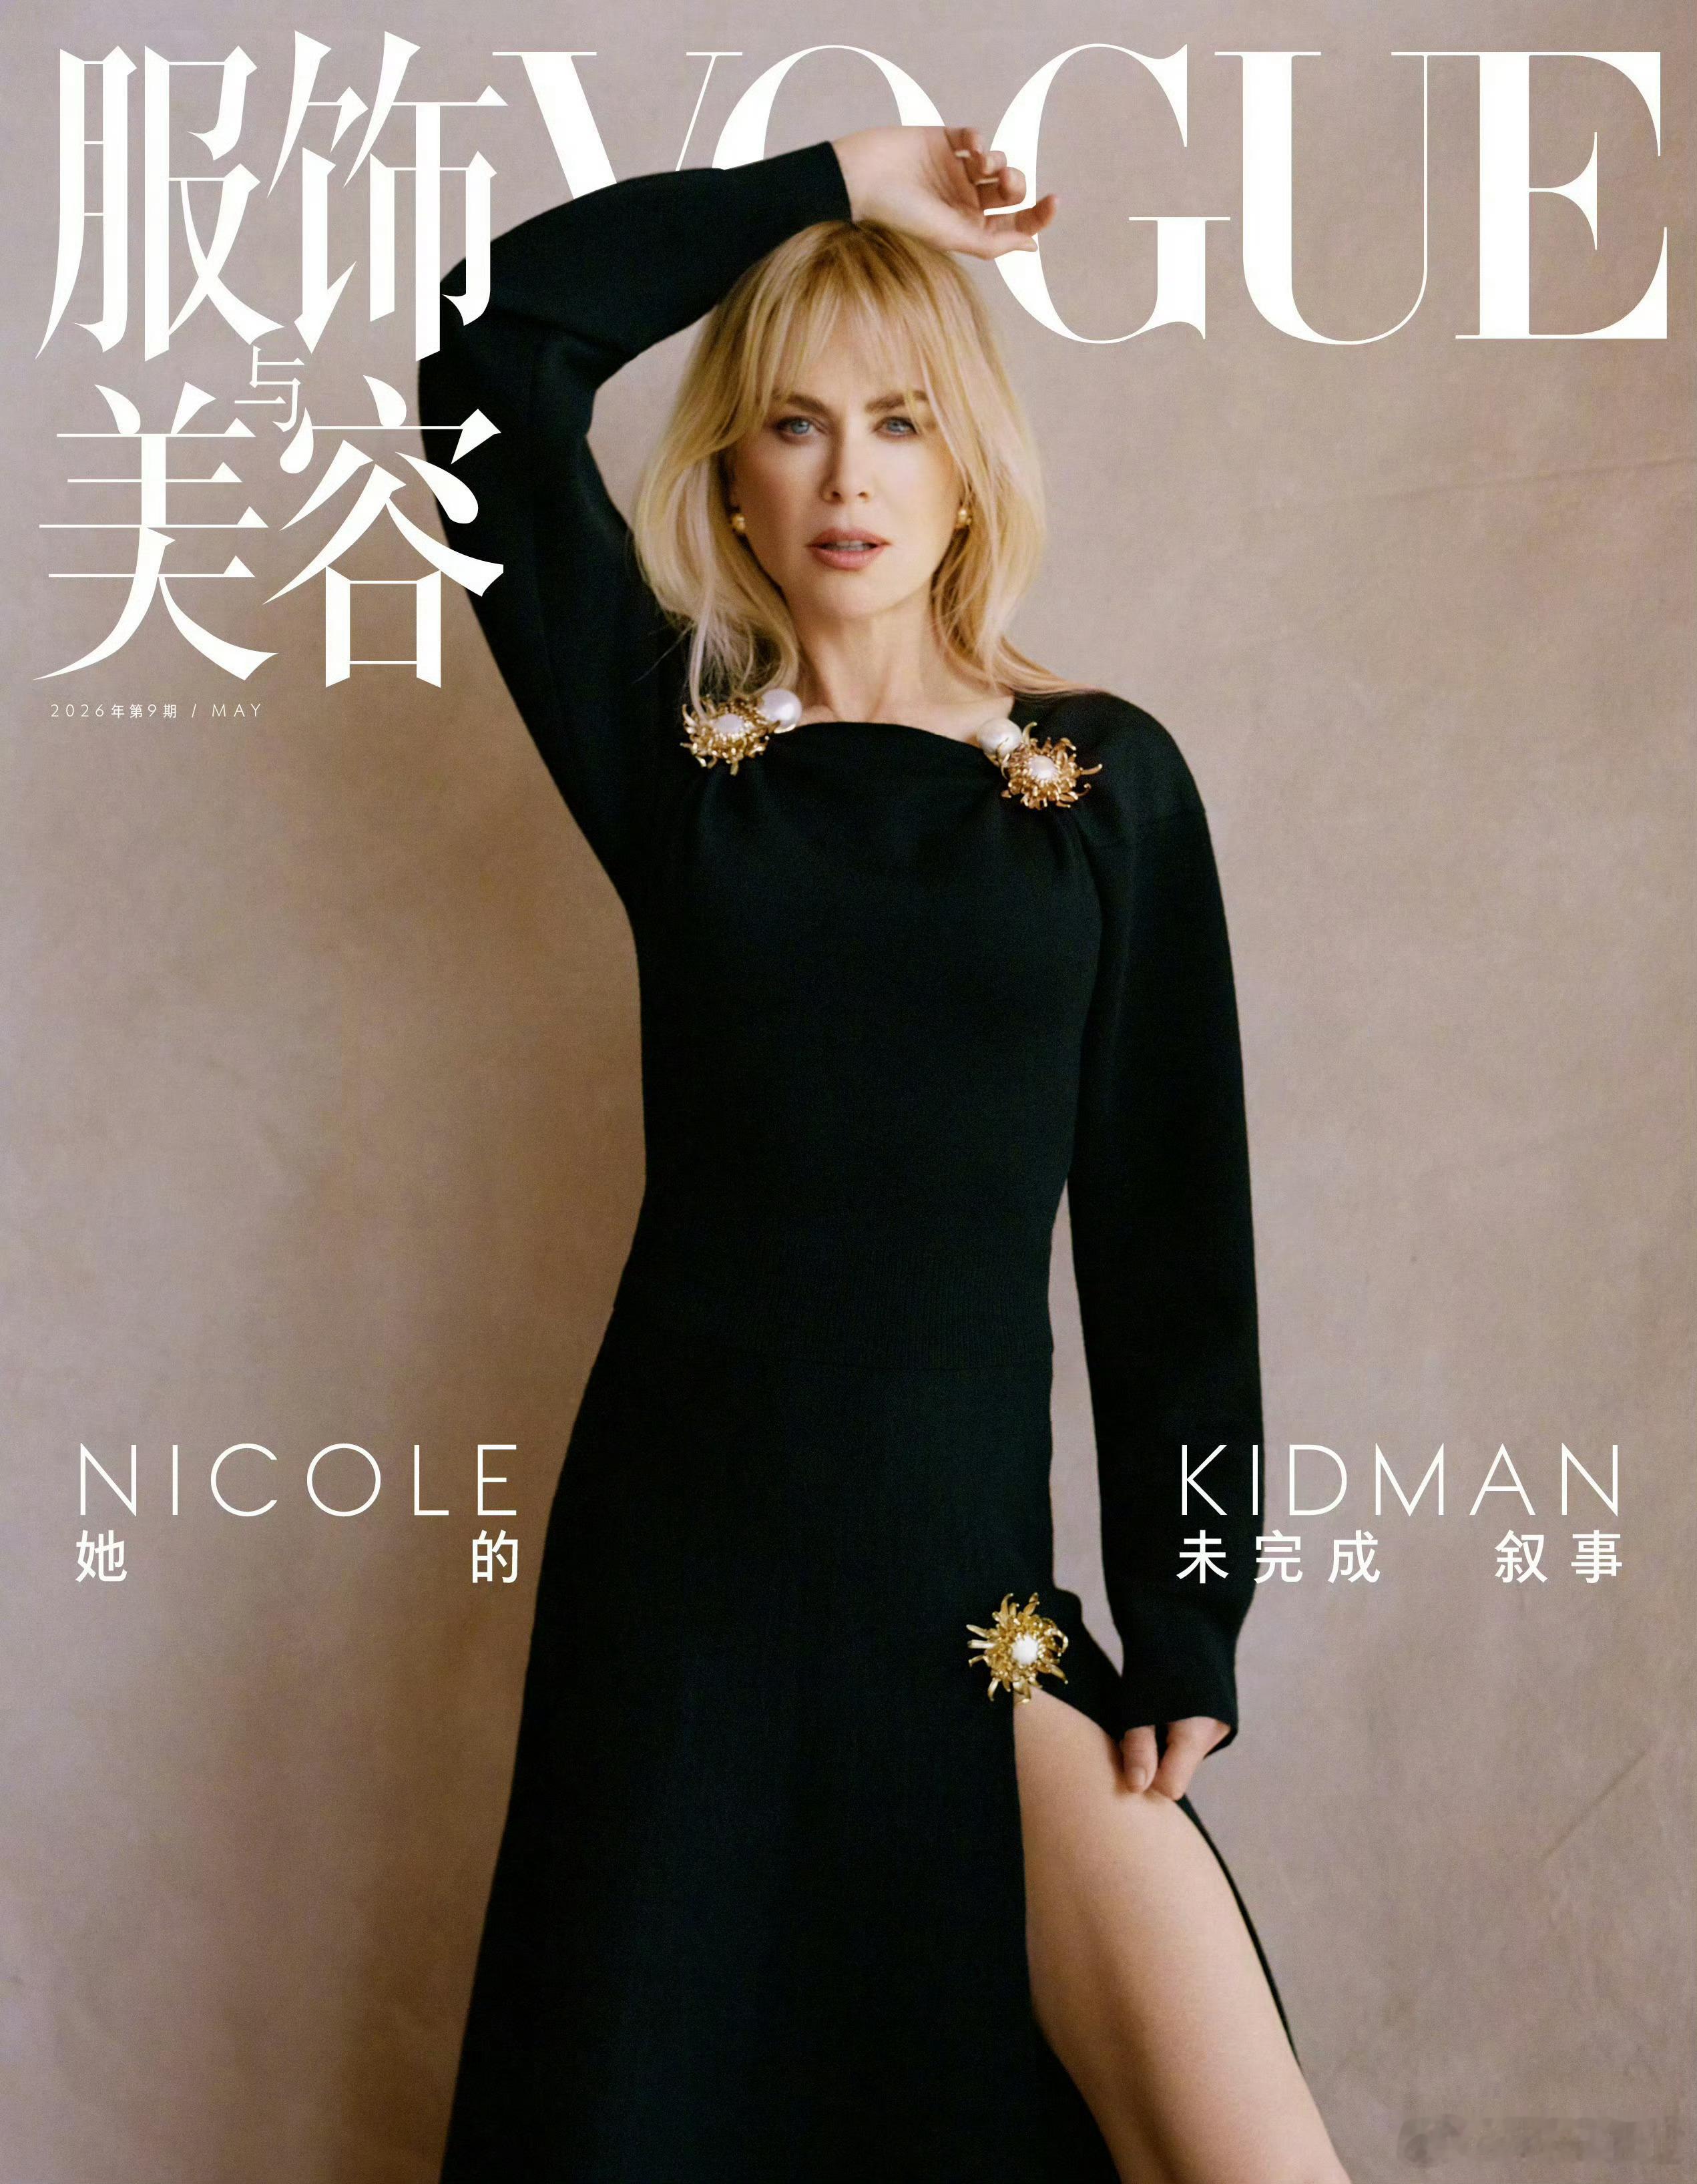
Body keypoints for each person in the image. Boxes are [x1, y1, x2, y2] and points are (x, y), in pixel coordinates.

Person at [419, 121, 1351, 2183]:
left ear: (968, 469)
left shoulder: (1103, 787)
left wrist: (1191, 1614)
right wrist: (837, 180)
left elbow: (1176, 1247)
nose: (850, 475)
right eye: (796, 423)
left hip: (971, 1622)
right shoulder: (683, 768)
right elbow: (488, 352)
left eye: (902, 421)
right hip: (684, 1608)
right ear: (731, 481)